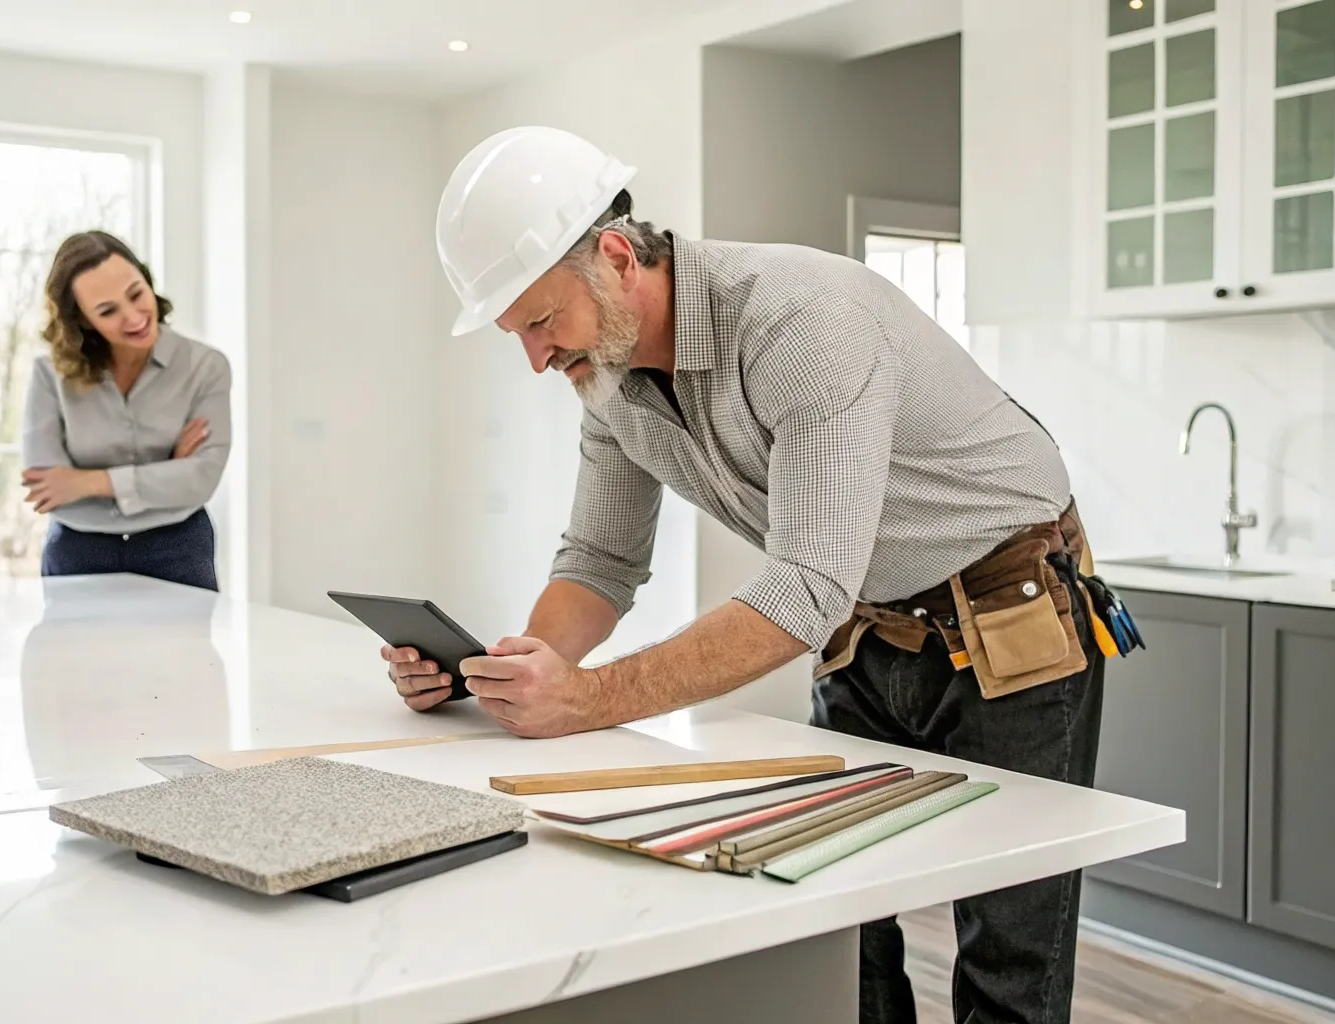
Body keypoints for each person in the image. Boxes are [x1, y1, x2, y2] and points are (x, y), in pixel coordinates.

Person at [385, 126, 1109, 1024]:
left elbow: (805, 588)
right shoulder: (608, 378)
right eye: (516, 334)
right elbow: (600, 563)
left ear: (615, 258)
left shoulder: (799, 319)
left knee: (1011, 942)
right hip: (866, 626)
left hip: (1010, 608)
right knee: (839, 923)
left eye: (540, 321)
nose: (536, 358)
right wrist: (516, 672)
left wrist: (587, 699)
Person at [20, 230, 231, 592]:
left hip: (177, 549)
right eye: (107, 310)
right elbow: (48, 485)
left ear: (147, 281)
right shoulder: (49, 375)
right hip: (79, 549)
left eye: (136, 294)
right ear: (83, 320)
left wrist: (88, 481)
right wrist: (164, 470)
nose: (134, 317)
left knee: (184, 651)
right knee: (76, 652)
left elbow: (201, 478)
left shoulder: (205, 367)